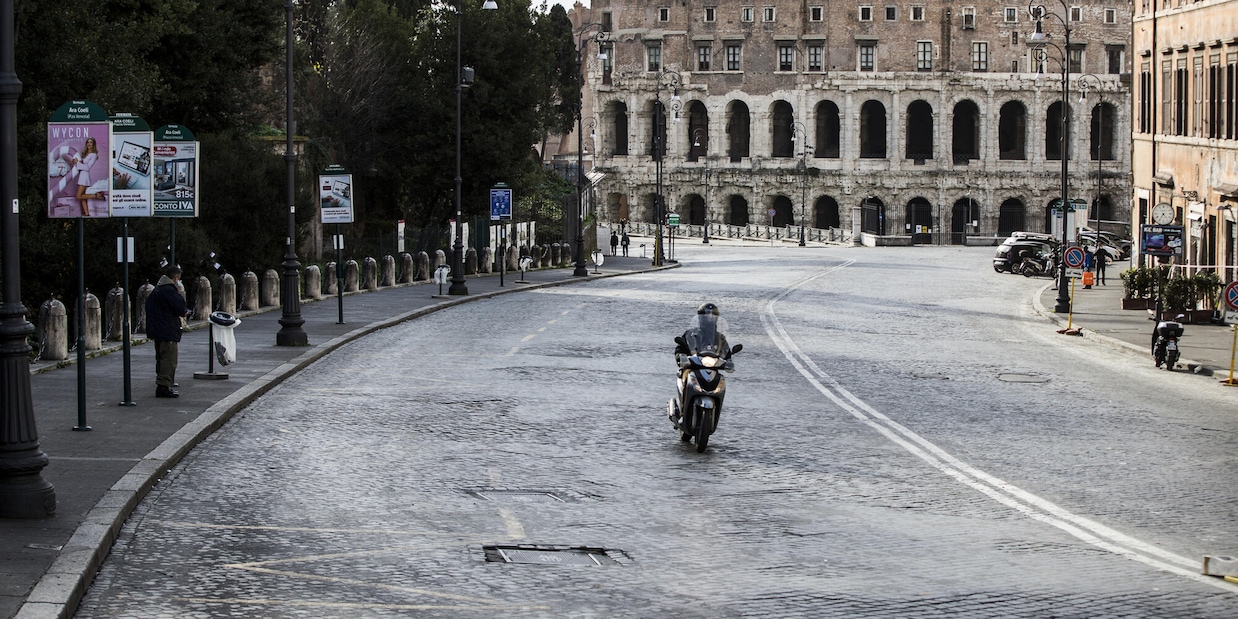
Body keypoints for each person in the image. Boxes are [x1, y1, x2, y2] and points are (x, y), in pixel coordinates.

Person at [145, 265, 191, 398]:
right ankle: (163, 386)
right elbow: (180, 307)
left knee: (160, 357)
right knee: (169, 359)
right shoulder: (169, 291)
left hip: (157, 329)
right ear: (175, 278)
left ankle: (162, 383)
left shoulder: (156, 290)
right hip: (167, 329)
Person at [72, 137, 102, 216]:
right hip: (81, 175)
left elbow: (88, 167)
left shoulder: (94, 155)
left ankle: (96, 195)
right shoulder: (85, 154)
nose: (89, 144)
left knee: (78, 196)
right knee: (83, 197)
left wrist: (77, 162)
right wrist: (76, 162)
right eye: (88, 142)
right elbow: (82, 165)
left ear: (93, 144)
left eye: (91, 142)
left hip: (84, 176)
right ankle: (87, 213)